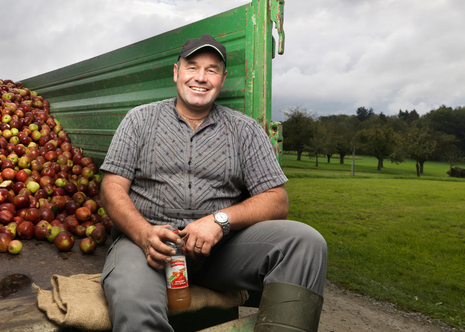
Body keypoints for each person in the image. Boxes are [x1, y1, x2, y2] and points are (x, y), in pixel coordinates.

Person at [99, 34, 327, 332]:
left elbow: (276, 200)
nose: (201, 77)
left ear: (223, 79)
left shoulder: (245, 130)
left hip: (220, 252)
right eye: (192, 67)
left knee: (306, 243)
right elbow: (111, 188)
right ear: (176, 72)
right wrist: (143, 234)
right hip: (149, 247)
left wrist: (219, 221)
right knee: (133, 300)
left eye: (212, 69)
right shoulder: (139, 120)